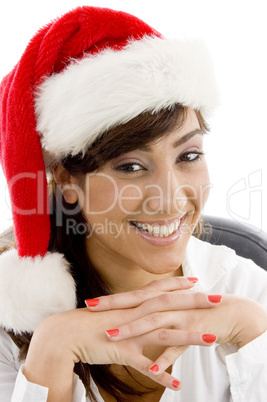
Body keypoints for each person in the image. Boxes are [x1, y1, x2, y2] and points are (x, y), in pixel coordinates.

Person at [0, 5, 266, 402]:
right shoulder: (10, 324)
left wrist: (254, 336)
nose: (171, 198)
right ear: (68, 180)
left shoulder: (250, 291)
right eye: (131, 166)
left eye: (188, 155)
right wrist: (52, 351)